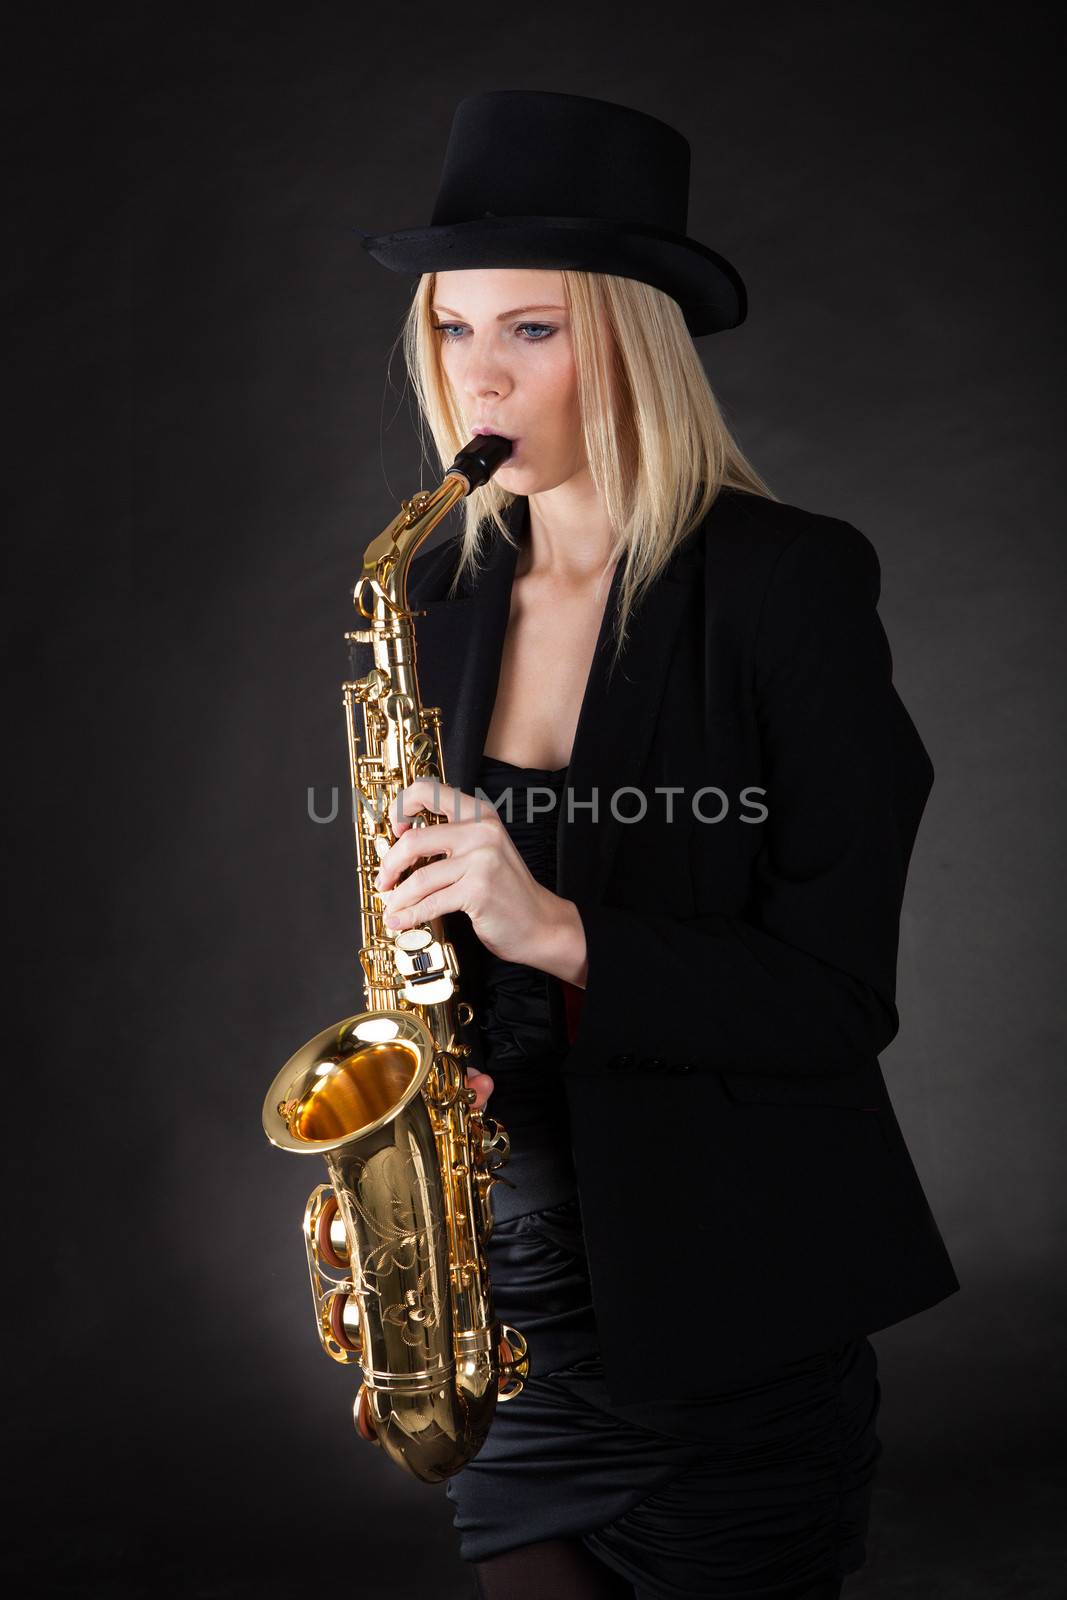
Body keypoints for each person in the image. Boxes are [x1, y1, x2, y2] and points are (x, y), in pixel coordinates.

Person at [358, 90, 960, 1600]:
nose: (479, 377)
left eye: (534, 332)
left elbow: (836, 999)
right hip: (507, 1305)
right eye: (454, 329)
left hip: (724, 1313)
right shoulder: (434, 587)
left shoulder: (790, 584)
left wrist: (554, 928)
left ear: (633, 337)